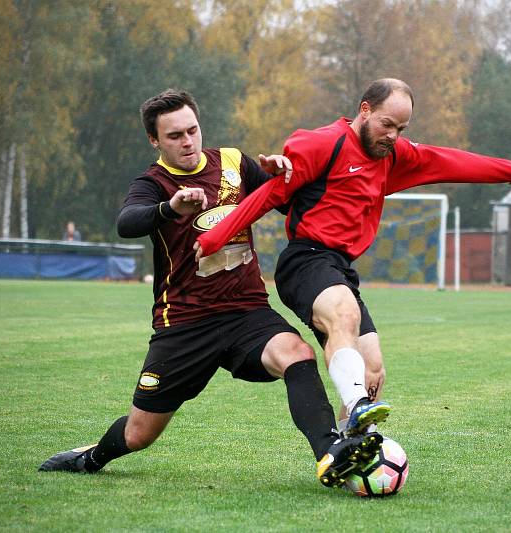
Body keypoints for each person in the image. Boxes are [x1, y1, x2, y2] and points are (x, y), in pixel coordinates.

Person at [39, 89, 382, 489]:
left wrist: (283, 170)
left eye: (192, 130)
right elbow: (127, 222)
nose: (187, 141)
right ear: (155, 140)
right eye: (174, 136)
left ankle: (330, 453)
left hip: (246, 312)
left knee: (297, 354)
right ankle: (93, 456)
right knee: (139, 434)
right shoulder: (154, 183)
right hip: (184, 323)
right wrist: (171, 208)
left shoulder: (234, 163)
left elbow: (288, 201)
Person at [195, 78, 511, 432]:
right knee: (344, 314)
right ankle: (356, 405)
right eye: (387, 124)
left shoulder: (393, 156)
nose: (392, 136)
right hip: (305, 261)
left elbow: (445, 161)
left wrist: (508, 171)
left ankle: (351, 447)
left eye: (401, 129)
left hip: (338, 269)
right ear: (365, 110)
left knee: (372, 370)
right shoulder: (326, 143)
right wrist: (217, 236)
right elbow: (271, 195)